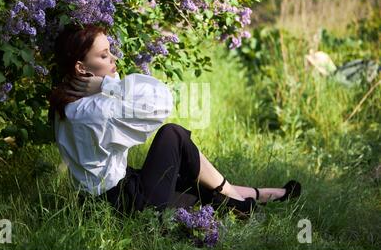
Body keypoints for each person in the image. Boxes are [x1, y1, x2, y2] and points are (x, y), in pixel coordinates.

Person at [49, 24, 301, 218]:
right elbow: (160, 101)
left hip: (103, 199)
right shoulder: (97, 109)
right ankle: (243, 204)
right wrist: (107, 85)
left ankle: (259, 196)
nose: (114, 59)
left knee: (194, 186)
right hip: (125, 202)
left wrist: (105, 85)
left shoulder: (66, 105)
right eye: (104, 56)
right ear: (82, 69)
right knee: (173, 134)